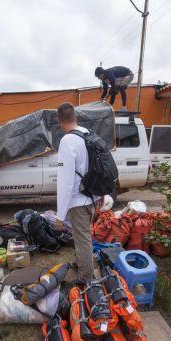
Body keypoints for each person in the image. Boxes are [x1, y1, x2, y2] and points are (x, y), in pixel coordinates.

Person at [55, 102, 101, 281]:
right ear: (75, 117)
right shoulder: (87, 133)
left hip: (78, 201)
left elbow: (65, 180)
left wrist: (60, 215)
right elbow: (96, 167)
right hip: (91, 196)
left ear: (59, 121)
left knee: (83, 240)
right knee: (82, 235)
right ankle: (81, 262)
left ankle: (86, 277)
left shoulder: (67, 141)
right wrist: (99, 195)